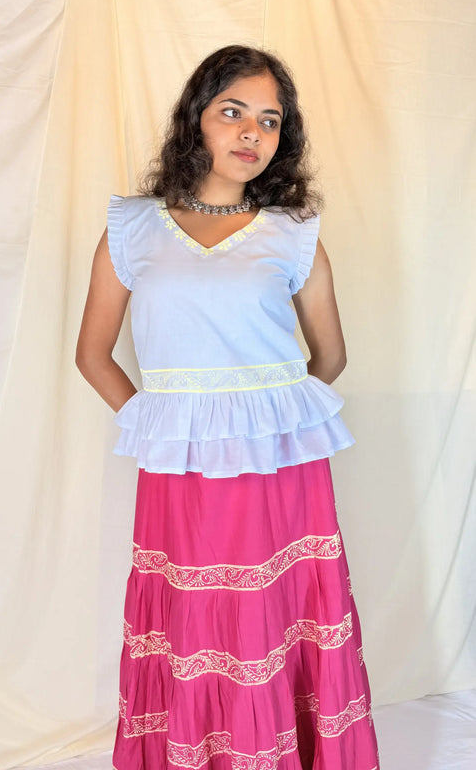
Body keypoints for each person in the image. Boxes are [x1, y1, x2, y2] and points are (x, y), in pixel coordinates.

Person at [76, 44, 380, 770]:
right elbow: (93, 353)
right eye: (232, 112)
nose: (251, 133)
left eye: (269, 121)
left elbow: (328, 356)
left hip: (280, 471)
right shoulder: (133, 227)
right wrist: (162, 424)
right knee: (194, 622)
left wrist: (263, 413)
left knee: (280, 616)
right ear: (197, 121)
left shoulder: (293, 232)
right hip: (183, 477)